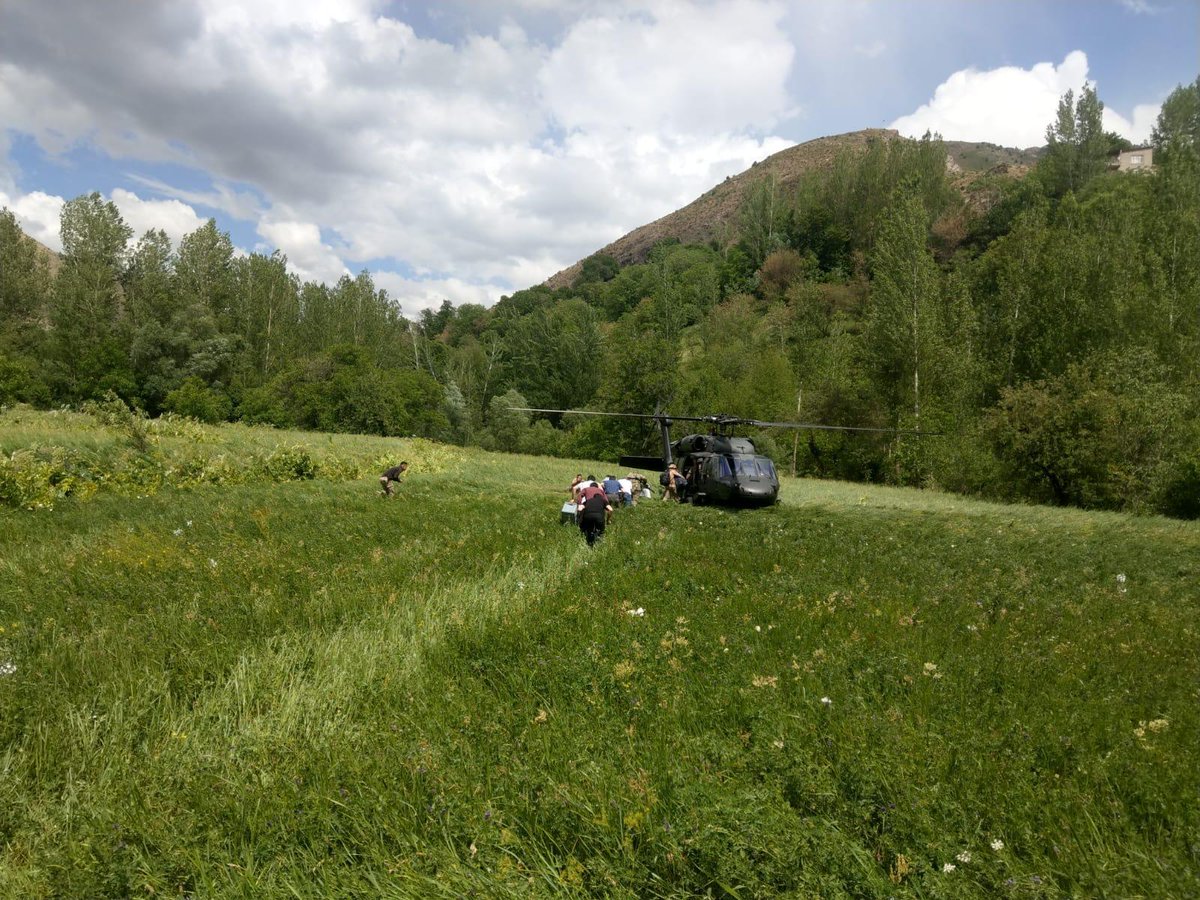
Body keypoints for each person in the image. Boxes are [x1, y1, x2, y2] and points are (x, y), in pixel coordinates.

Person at [577, 479, 613, 546]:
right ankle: (598, 543)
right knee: (600, 530)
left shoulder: (586, 489)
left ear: (590, 485)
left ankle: (586, 536)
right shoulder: (601, 491)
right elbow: (606, 500)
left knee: (588, 527)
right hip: (599, 513)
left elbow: (580, 495)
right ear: (597, 487)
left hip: (587, 508)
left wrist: (579, 503)